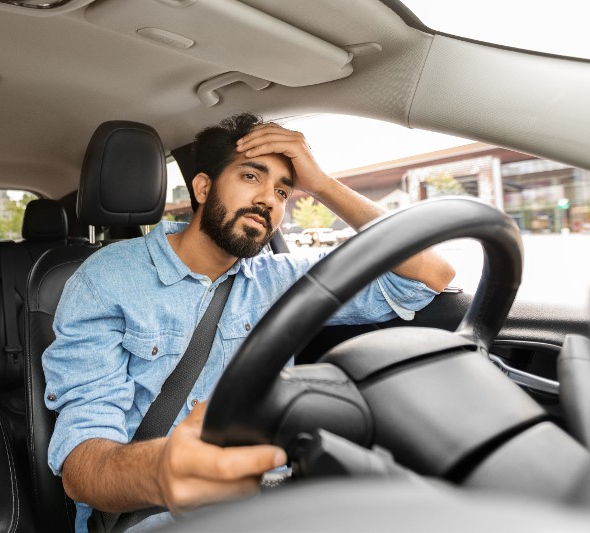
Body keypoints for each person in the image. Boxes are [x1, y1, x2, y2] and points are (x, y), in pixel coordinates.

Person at [42, 113, 456, 532]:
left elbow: (429, 274)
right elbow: (82, 466)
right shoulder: (106, 278)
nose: (269, 200)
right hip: (150, 515)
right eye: (251, 177)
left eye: (282, 190)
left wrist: (323, 185)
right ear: (203, 188)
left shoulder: (280, 279)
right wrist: (160, 470)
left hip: (272, 504)